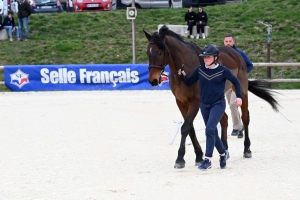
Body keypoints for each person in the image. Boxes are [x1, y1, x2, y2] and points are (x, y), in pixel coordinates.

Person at [178, 44, 242, 170]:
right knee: (212, 132)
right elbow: (189, 82)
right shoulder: (200, 70)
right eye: (204, 57)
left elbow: (236, 82)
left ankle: (207, 160)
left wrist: (238, 96)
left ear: (215, 57)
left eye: (208, 57)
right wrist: (182, 76)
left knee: (209, 129)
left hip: (218, 104)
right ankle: (223, 154)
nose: (205, 59)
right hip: (204, 105)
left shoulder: (223, 71)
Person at [223, 34, 253, 138]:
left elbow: (250, 65)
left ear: (234, 42)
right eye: (226, 41)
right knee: (232, 106)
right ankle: (240, 126)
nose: (228, 43)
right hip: (227, 84)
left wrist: (242, 76)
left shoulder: (239, 53)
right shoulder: (221, 54)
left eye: (230, 41)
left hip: (238, 84)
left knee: (233, 104)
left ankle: (237, 127)